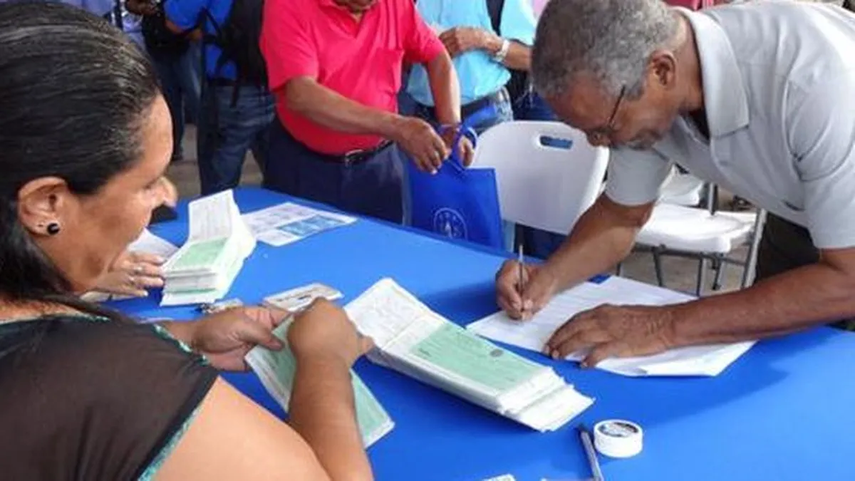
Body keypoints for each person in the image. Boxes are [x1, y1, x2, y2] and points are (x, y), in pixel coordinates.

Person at [0, 3, 374, 479]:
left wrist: (182, 337)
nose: (168, 196)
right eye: (146, 184)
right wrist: (324, 358)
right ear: (46, 204)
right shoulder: (103, 375)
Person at [495, 0, 855, 366]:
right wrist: (548, 278)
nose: (598, 143)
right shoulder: (639, 86)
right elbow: (621, 216)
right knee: (772, 367)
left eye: (604, 129)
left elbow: (848, 281)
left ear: (662, 71)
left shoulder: (816, 85)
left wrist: (663, 325)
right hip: (796, 214)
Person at [260, 0, 473, 224]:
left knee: (383, 244)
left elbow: (437, 56)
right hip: (306, 168)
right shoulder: (287, 5)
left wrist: (451, 127)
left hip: (379, 167)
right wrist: (397, 126)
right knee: (304, 245)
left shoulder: (393, 4)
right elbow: (302, 95)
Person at [164, 0, 275, 195]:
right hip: (278, 87)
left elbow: (174, 23)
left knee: (219, 185)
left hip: (230, 93)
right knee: (279, 176)